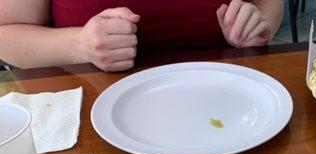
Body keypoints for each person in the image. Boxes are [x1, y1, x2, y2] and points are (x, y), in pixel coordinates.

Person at [0, 0, 283, 71]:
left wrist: (258, 26)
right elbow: (6, 34)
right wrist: (79, 45)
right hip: (93, 109)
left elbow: (268, 3)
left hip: (230, 97)